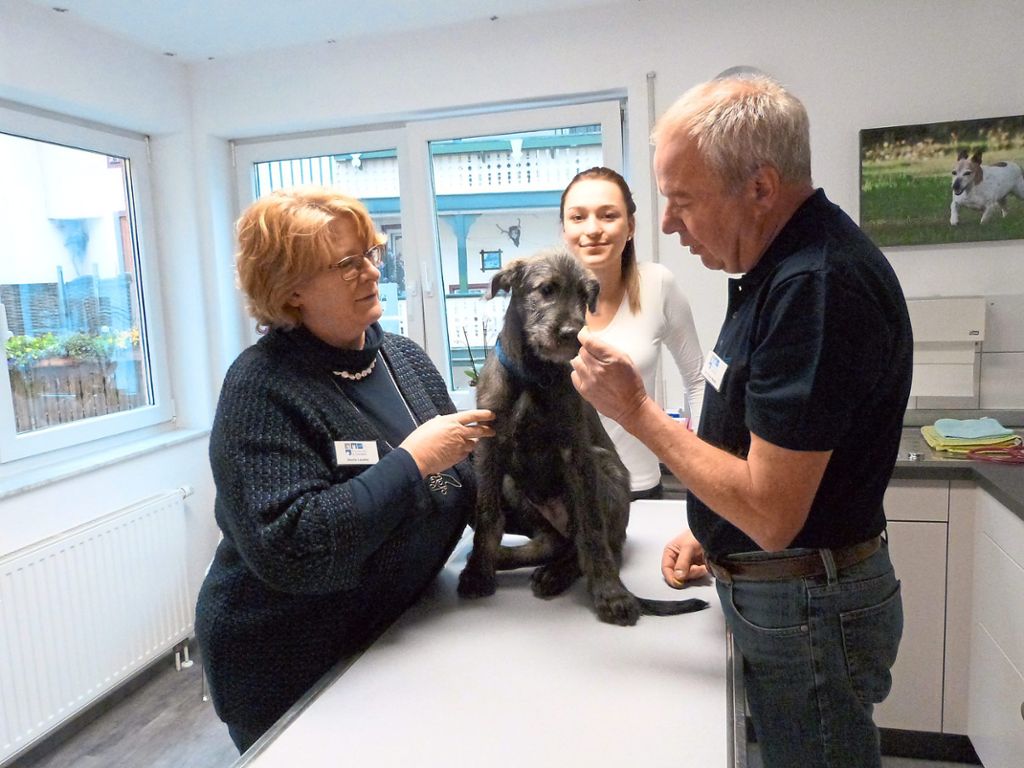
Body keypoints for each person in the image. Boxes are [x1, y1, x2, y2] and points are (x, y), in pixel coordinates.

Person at [570, 75, 912, 768]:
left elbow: (772, 510)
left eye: (683, 200)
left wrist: (635, 411)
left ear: (759, 188)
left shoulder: (814, 285)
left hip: (807, 604)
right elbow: (760, 451)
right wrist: (714, 533)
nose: (666, 224)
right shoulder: (772, 268)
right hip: (781, 581)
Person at [195, 186, 494, 753]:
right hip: (285, 662)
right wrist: (413, 460)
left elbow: (463, 479)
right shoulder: (260, 388)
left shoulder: (402, 358)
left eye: (371, 254)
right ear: (291, 290)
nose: (372, 273)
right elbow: (293, 547)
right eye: (346, 263)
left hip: (390, 634)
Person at [559, 166, 705, 500]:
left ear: (631, 227)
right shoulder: (545, 304)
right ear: (564, 230)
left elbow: (697, 380)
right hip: (569, 499)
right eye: (578, 217)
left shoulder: (658, 285)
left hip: (641, 487)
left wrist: (703, 466)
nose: (593, 229)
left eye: (608, 215)